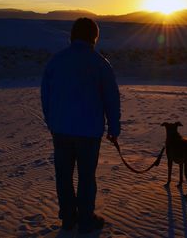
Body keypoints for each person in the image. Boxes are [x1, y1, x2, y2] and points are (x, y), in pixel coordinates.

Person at [40, 18, 121, 233]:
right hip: (88, 131)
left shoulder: (56, 62)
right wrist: (114, 128)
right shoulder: (99, 63)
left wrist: (52, 122)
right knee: (86, 177)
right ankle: (85, 220)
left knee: (63, 176)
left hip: (61, 130)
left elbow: (46, 97)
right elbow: (111, 98)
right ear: (94, 37)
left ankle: (68, 218)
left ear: (72, 35)